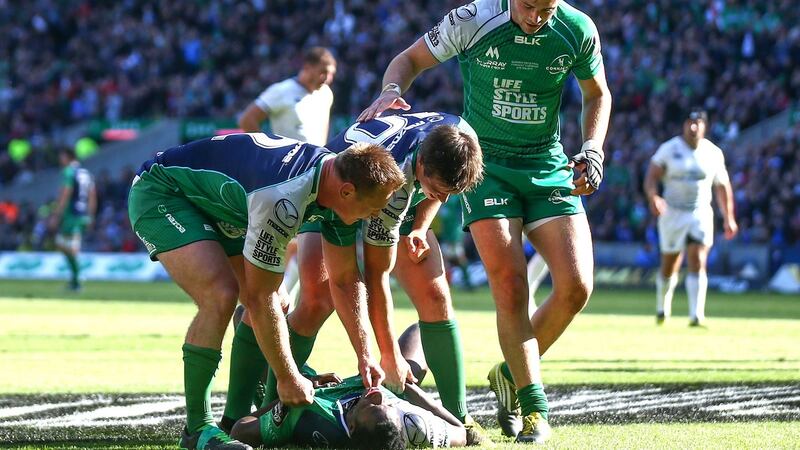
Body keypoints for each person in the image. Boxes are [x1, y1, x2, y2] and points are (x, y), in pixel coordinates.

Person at [358, 0, 612, 443]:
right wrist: (390, 89)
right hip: (483, 167)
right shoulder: (473, 18)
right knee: (511, 285)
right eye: (530, 6)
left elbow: (598, 93)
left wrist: (592, 148)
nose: (537, 18)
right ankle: (535, 407)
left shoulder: (577, 29)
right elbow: (409, 59)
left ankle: (510, 375)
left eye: (547, 8)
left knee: (577, 287)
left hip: (546, 164)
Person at [128, 132, 405, 450]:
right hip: (164, 193)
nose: (375, 215)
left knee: (281, 304)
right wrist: (287, 376)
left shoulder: (338, 190)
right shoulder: (282, 197)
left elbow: (343, 279)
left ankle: (232, 422)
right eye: (374, 207)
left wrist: (365, 355)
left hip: (225, 210)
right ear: (347, 191)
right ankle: (197, 431)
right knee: (222, 295)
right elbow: (261, 298)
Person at [220, 113, 485, 443]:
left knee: (436, 298)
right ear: (421, 168)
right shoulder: (394, 188)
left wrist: (418, 226)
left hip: (367, 184)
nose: (443, 199)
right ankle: (270, 401)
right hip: (330, 194)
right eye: (438, 190)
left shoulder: (458, 141)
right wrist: (386, 356)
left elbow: (435, 189)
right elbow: (375, 276)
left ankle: (460, 415)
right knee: (318, 299)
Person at [229, 324, 469, 449]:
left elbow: (240, 430)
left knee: (247, 319)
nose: (376, 398)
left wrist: (286, 396)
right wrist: (407, 387)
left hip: (305, 384)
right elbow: (461, 432)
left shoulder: (312, 420)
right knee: (421, 332)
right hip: (384, 381)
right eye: (386, 405)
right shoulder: (407, 425)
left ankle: (266, 389)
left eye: (371, 406)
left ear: (351, 427)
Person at [644, 109, 738, 327]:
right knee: (670, 263)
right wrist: (654, 197)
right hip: (672, 212)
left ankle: (696, 315)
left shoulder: (713, 153)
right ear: (683, 125)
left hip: (700, 211)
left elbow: (723, 187)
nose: (693, 126)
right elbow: (651, 177)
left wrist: (729, 217)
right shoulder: (668, 149)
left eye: (697, 122)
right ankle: (662, 307)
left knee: (698, 258)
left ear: (705, 126)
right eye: (689, 122)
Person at [238, 47, 336, 146]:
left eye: (331, 74)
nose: (327, 79)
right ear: (307, 67)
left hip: (316, 160)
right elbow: (247, 120)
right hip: (287, 160)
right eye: (323, 72)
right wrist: (265, 150)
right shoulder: (281, 91)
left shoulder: (326, 93)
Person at [49, 149, 96, 291]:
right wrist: (91, 216)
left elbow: (65, 193)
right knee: (65, 245)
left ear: (68, 157)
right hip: (82, 215)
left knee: (69, 246)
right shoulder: (86, 174)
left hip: (71, 215)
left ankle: (77, 279)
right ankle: (76, 278)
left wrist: (56, 215)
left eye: (61, 156)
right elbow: (93, 196)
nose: (60, 159)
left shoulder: (69, 172)